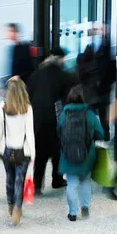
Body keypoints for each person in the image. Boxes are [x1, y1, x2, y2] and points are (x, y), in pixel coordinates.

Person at [27, 47, 77, 194]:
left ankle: (36, 184)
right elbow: (70, 95)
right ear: (60, 60)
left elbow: (28, 93)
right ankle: (57, 179)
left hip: (37, 119)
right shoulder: (62, 75)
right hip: (55, 119)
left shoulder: (36, 74)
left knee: (40, 152)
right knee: (58, 152)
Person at [57, 85, 104, 222]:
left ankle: (72, 213)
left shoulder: (63, 115)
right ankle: (85, 206)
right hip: (87, 155)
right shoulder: (89, 114)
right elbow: (100, 133)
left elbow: (59, 132)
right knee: (85, 180)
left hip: (68, 154)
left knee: (71, 183)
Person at [0, 78, 35, 226]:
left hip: (7, 148)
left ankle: (10, 204)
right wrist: (33, 153)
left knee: (9, 177)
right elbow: (29, 133)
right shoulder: (27, 108)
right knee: (20, 180)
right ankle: (18, 209)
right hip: (22, 151)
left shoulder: (3, 107)